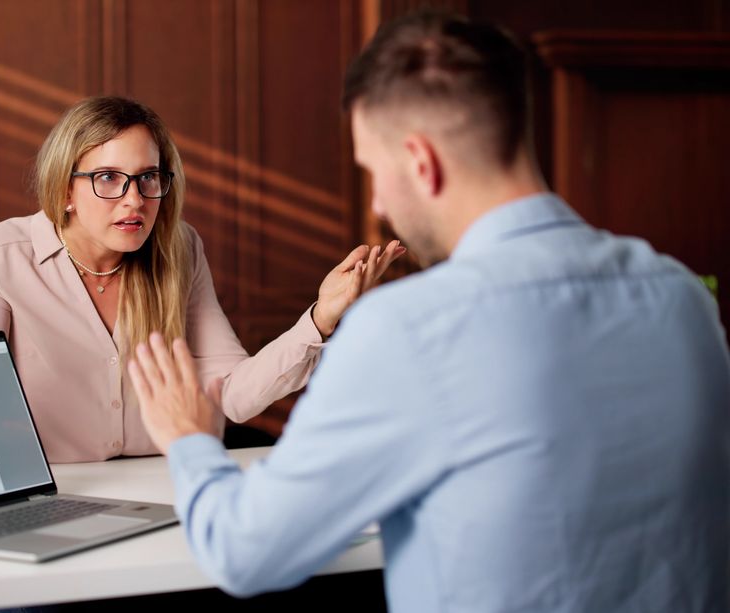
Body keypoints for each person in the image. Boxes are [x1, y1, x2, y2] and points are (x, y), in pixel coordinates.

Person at [127, 12, 730, 612]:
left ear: (421, 161)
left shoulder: (409, 329)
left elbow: (242, 552)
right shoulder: (681, 297)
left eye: (374, 172)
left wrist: (189, 439)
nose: (379, 203)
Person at [0, 95, 406, 463]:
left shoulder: (179, 248)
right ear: (64, 190)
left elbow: (233, 394)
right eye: (107, 178)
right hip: (53, 498)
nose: (134, 199)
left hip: (164, 490)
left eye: (149, 177)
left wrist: (320, 319)